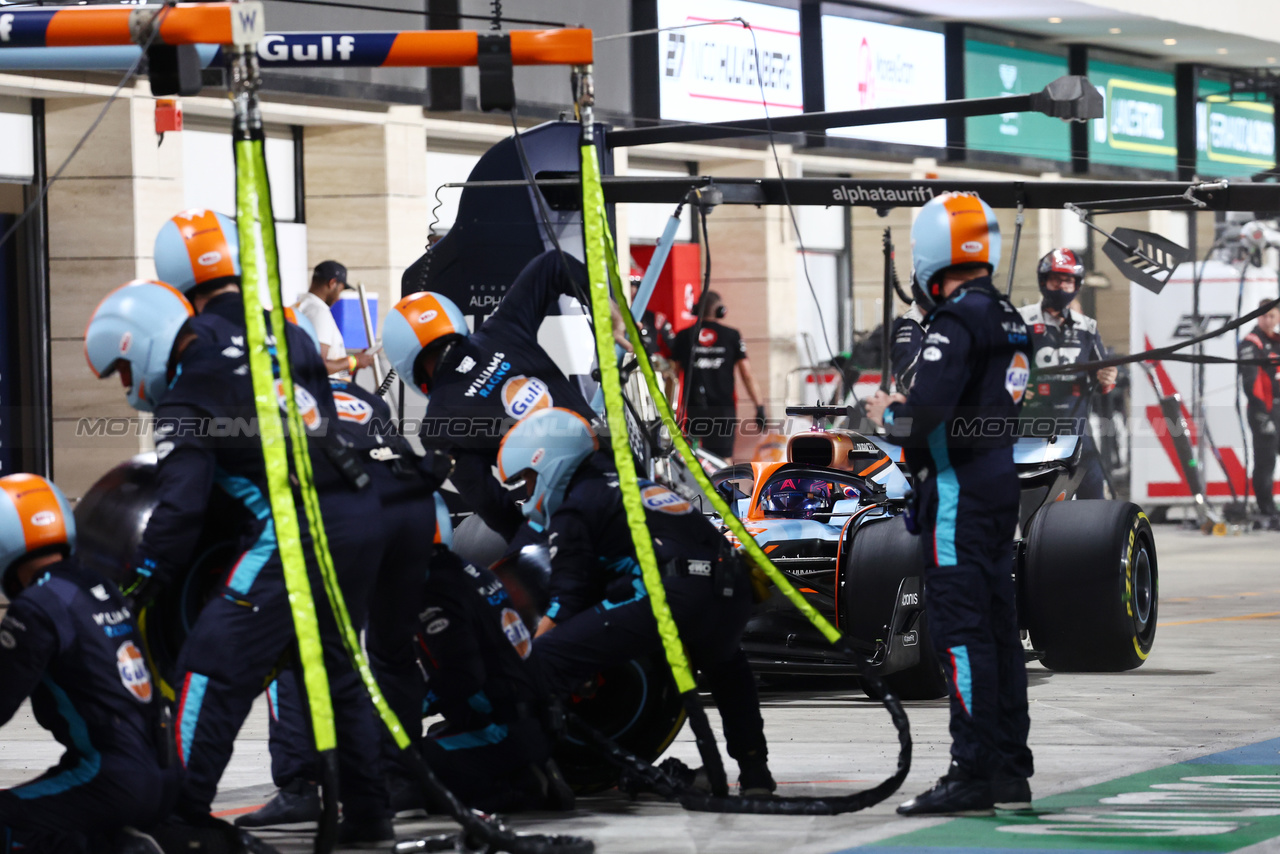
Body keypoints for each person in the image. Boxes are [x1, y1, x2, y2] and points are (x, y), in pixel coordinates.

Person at [84, 279, 394, 845]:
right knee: (335, 672)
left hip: (294, 531)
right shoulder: (286, 339)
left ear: (145, 343)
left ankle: (176, 818)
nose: (128, 387)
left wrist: (135, 588)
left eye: (124, 370)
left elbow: (179, 510)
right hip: (359, 513)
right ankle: (370, 817)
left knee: (207, 667)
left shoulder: (188, 394)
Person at [497, 407, 775, 796]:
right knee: (729, 668)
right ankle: (755, 773)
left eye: (527, 480)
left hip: (673, 597)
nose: (527, 493)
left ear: (547, 463)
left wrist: (529, 661)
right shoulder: (638, 484)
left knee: (543, 661)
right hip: (733, 592)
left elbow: (566, 602)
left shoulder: (576, 506)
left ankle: (539, 773)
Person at [866, 192, 1033, 816]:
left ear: (930, 253)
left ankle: (971, 773)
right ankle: (1009, 769)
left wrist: (890, 414)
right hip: (997, 485)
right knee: (997, 634)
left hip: (958, 496)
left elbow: (925, 420)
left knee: (961, 635)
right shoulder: (1011, 318)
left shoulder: (956, 320)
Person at [383, 249, 623, 543]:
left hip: (573, 523)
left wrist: (533, 546)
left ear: (405, 363)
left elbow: (493, 506)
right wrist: (605, 308)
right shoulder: (503, 329)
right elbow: (552, 262)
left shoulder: (438, 426)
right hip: (622, 475)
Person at [0, 473, 180, 854]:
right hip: (163, 774)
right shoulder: (99, 587)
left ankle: (108, 846)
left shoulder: (37, 606)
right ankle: (114, 840)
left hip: (110, 779)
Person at [1018, 249, 1118, 498]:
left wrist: (1108, 378)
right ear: (1043, 281)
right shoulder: (1021, 320)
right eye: (1055, 279)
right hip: (1032, 431)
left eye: (1068, 281)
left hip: (1077, 429)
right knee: (1035, 509)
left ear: (1076, 285)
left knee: (1094, 502)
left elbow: (1102, 372)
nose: (1061, 286)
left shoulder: (1087, 326)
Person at [670, 292, 765, 463]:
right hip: (723, 410)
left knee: (696, 458)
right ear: (721, 311)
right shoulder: (732, 335)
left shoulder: (684, 336)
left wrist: (669, 408)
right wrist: (759, 406)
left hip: (695, 409)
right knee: (724, 460)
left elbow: (673, 375)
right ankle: (724, 490)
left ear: (697, 309)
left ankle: (699, 490)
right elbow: (747, 374)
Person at [293, 260, 377, 377]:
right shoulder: (319, 312)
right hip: (324, 392)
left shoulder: (299, 305)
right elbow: (318, 365)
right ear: (332, 283)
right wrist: (354, 360)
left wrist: (354, 363)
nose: (338, 298)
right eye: (340, 290)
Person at [1239, 298, 1280, 526]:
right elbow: (1250, 383)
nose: (1268, 320)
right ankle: (1267, 509)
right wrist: (1263, 413)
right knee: (1265, 462)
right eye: (1264, 315)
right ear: (1258, 316)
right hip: (1263, 410)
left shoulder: (1277, 341)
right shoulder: (1250, 343)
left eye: (1272, 315)